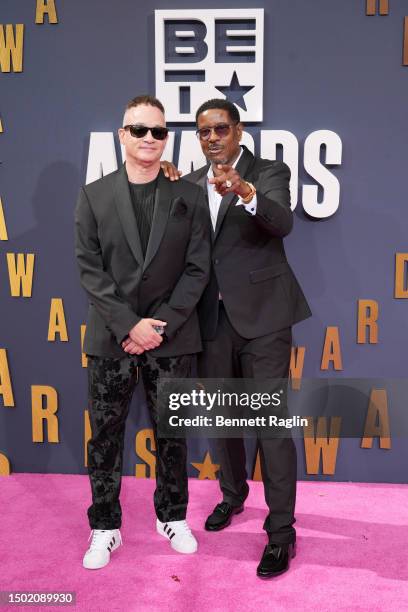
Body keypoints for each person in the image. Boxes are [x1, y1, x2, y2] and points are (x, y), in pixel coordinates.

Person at [75, 95, 211, 569]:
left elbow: (197, 270)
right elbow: (90, 270)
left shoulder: (189, 196)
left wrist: (159, 326)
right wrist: (128, 324)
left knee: (172, 434)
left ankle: (172, 515)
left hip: (171, 337)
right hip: (111, 336)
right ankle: (105, 526)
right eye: (139, 130)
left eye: (157, 131)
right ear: (122, 135)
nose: (149, 139)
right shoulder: (93, 195)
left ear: (166, 138)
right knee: (105, 437)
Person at [183, 99, 312, 578]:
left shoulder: (268, 171)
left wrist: (242, 189)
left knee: (270, 427)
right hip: (212, 323)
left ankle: (281, 533)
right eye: (203, 132)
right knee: (222, 422)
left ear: (237, 130)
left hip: (265, 319)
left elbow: (281, 221)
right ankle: (233, 497)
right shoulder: (193, 184)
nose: (212, 137)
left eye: (220, 128)